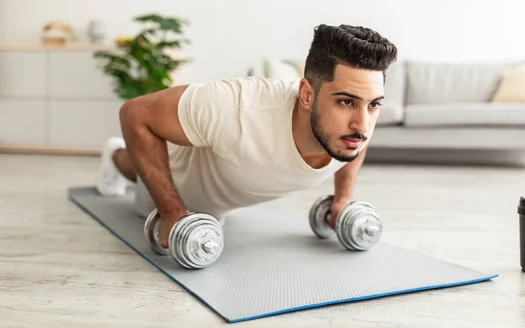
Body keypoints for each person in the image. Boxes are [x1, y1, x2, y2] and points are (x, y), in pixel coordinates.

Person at [96, 23, 398, 248]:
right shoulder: (238, 106)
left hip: (233, 193)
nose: (362, 124)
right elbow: (134, 113)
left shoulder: (353, 127)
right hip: (180, 180)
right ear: (307, 94)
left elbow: (360, 138)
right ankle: (114, 156)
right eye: (346, 102)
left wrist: (343, 197)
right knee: (132, 168)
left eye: (373, 105)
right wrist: (171, 210)